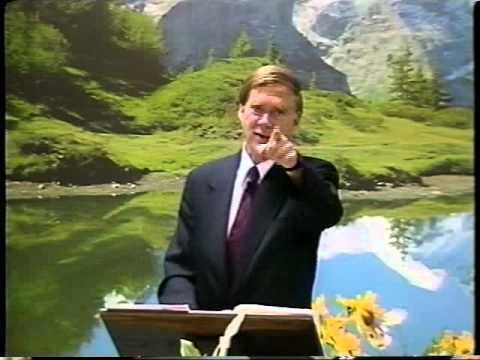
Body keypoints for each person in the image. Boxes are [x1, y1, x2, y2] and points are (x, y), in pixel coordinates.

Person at [157, 65, 343, 312]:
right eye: (257, 109)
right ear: (241, 112)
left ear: (295, 121)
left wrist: (293, 165)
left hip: (276, 340)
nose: (265, 121)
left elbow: (327, 213)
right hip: (204, 338)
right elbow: (180, 264)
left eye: (278, 112)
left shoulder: (310, 175)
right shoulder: (203, 179)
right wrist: (183, 319)